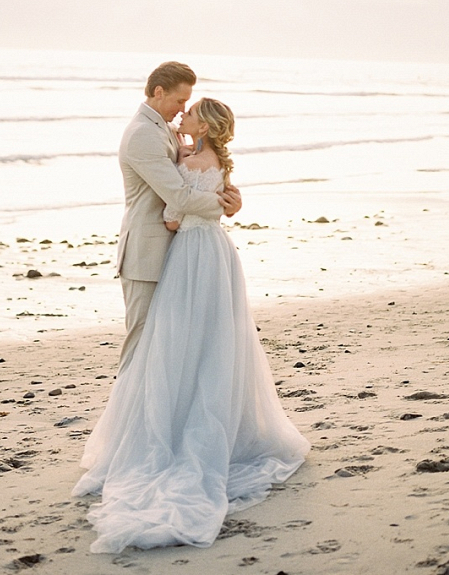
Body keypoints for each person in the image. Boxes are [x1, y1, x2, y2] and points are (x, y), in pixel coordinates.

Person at [72, 97, 310, 553]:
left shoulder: (189, 152)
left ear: (205, 123)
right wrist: (216, 204)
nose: (183, 113)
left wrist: (193, 211)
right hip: (209, 253)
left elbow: (180, 209)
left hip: (190, 253)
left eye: (191, 110)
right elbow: (213, 200)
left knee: (177, 339)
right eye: (181, 104)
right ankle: (186, 423)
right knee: (205, 337)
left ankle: (171, 429)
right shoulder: (195, 150)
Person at [115, 61, 241, 371]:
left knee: (170, 343)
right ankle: (128, 416)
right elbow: (179, 196)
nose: (183, 109)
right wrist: (222, 206)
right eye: (180, 101)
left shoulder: (167, 129)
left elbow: (199, 171)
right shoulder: (143, 134)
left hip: (177, 250)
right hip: (147, 253)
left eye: (188, 103)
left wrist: (229, 192)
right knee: (142, 340)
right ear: (159, 92)